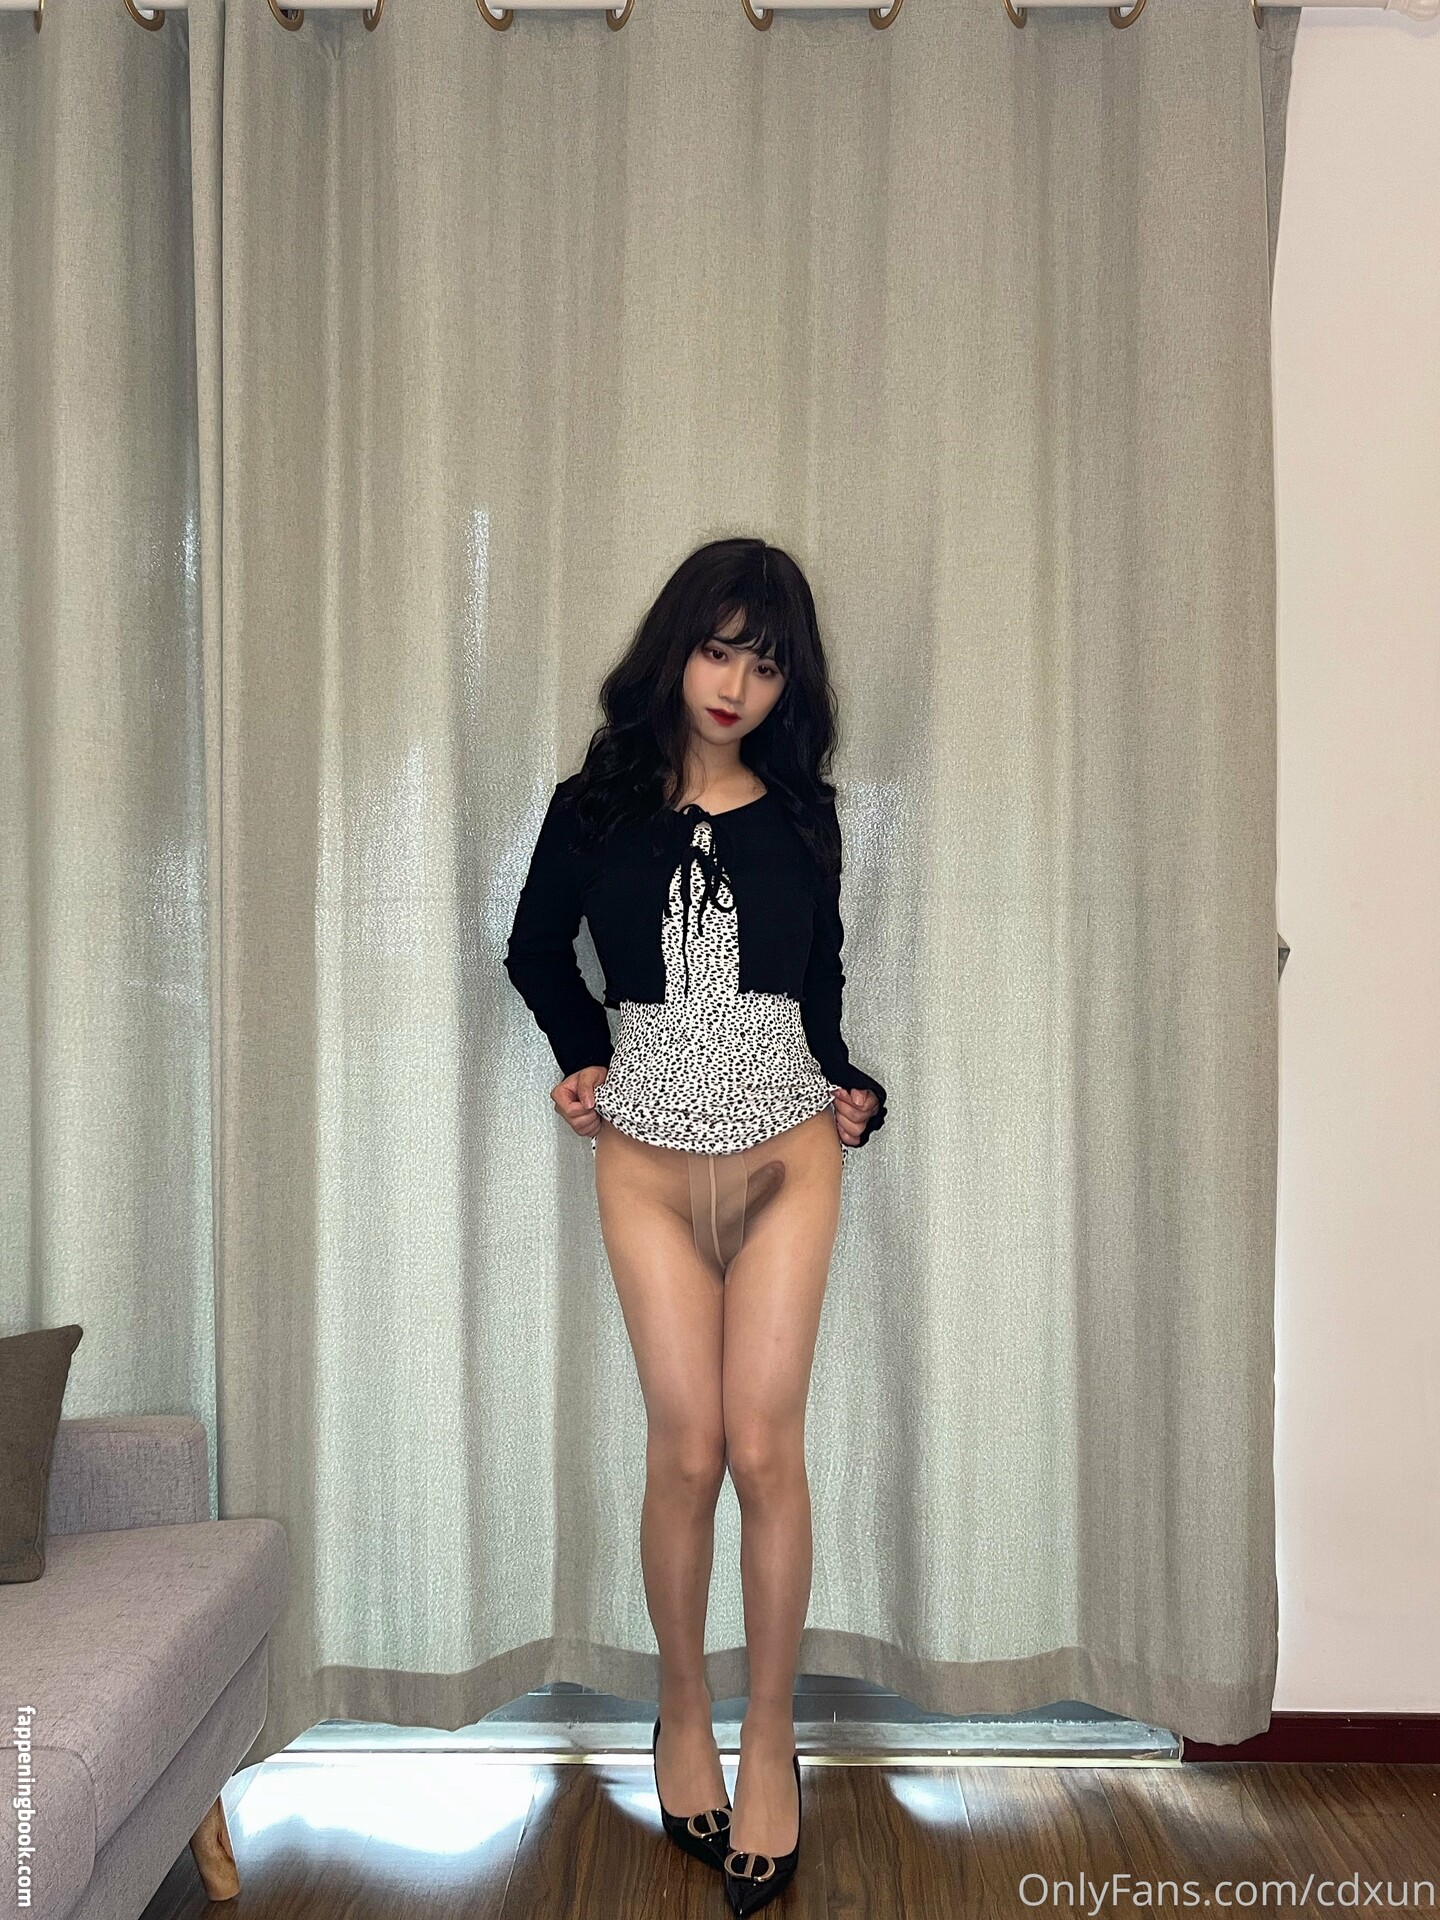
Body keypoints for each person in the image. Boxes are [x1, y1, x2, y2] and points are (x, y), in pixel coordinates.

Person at [503, 536, 888, 1916]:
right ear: (676, 648)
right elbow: (533, 950)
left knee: (766, 1447)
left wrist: (850, 1081)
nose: (736, 684)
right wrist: (580, 1054)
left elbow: (820, 976)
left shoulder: (806, 815)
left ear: (792, 685)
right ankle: (681, 1709)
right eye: (719, 650)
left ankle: (770, 1738)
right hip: (647, 1162)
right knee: (687, 1448)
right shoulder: (593, 805)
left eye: (766, 665)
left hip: (789, 1151)